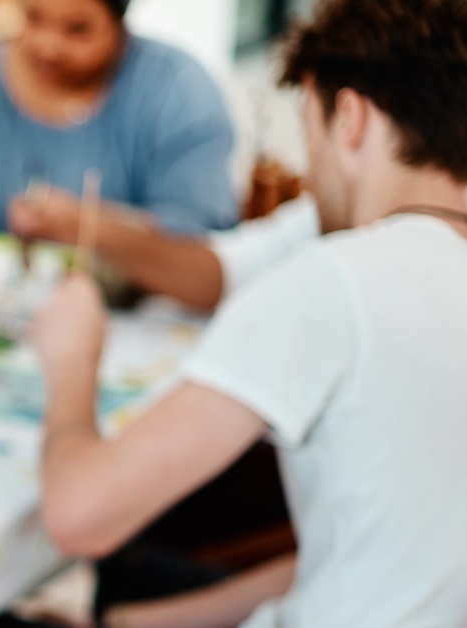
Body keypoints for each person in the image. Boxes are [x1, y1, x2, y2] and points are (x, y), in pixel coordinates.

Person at [29, 0, 467, 625]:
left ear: (349, 118)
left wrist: (71, 360)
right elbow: (362, 557)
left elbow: (79, 514)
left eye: (308, 134)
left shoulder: (335, 280)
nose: (311, 171)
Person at [0, 0, 238, 235]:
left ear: (119, 21)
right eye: (34, 17)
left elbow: (203, 245)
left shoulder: (176, 91)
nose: (48, 47)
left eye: (77, 29)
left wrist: (90, 227)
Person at [10, 193, 319, 309]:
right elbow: (229, 269)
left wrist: (71, 365)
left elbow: (195, 222)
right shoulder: (311, 221)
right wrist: (82, 223)